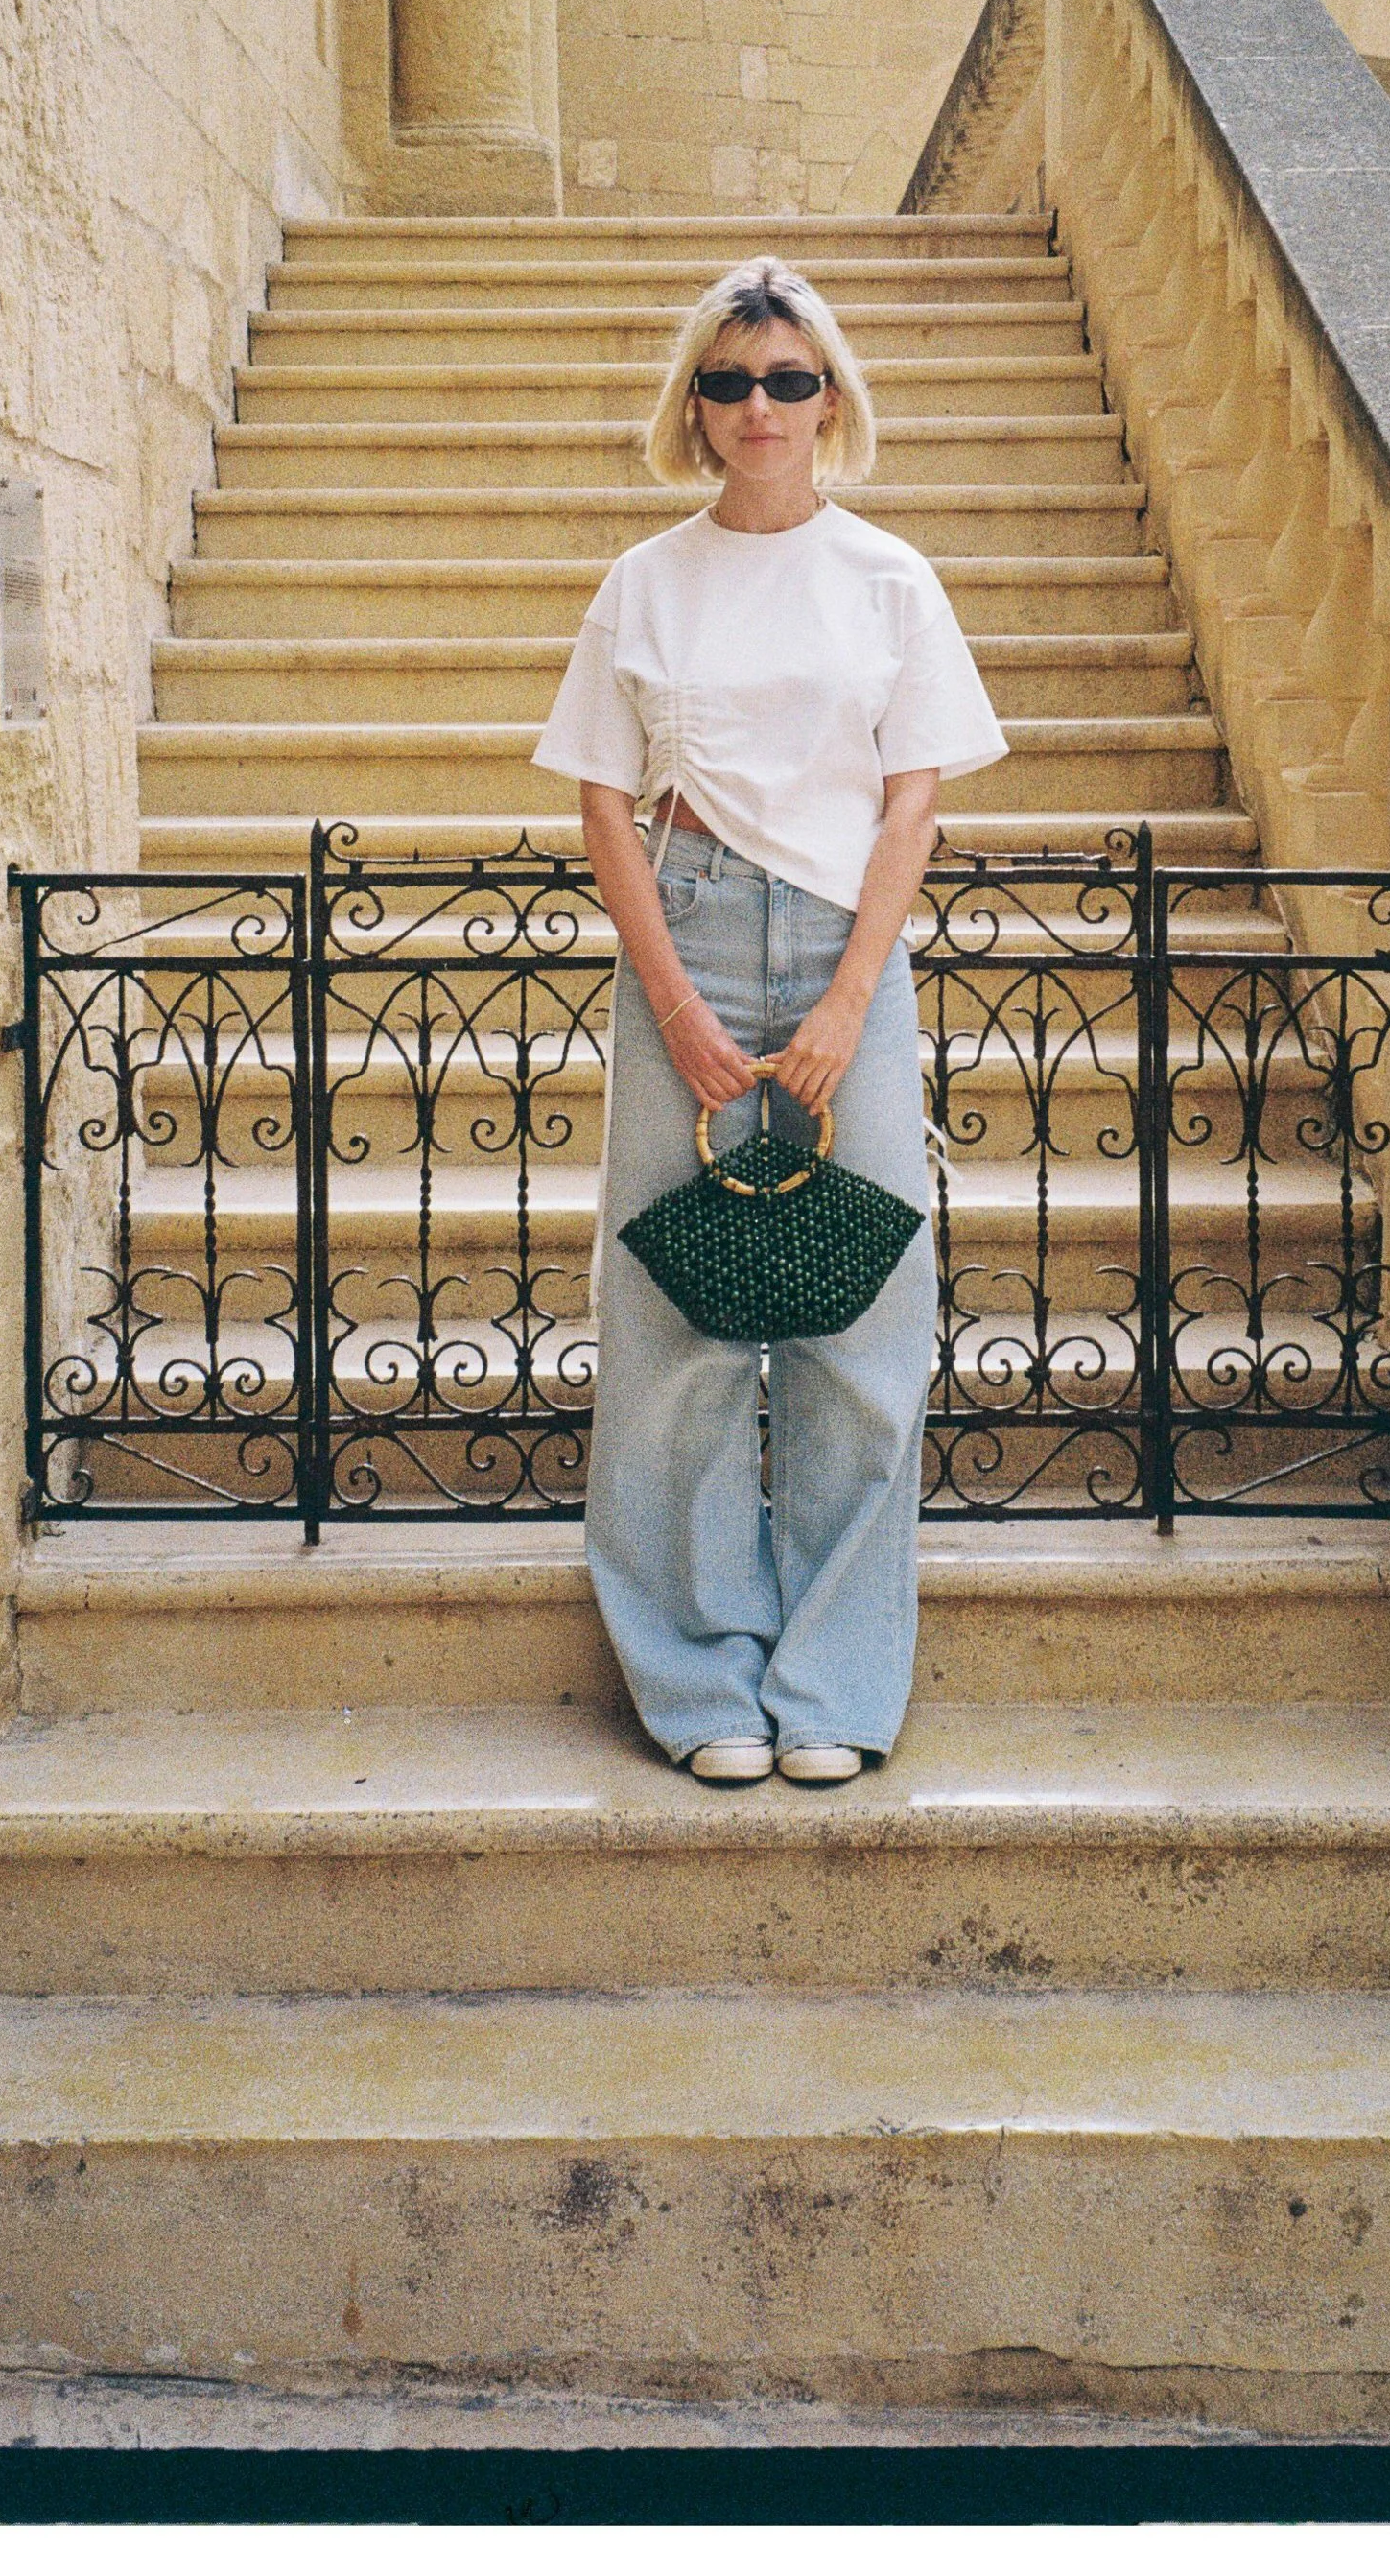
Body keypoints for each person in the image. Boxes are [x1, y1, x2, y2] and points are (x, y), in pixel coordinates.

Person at [530, 255, 1007, 1787]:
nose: (759, 407)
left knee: (857, 1318)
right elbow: (603, 803)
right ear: (695, 404)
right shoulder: (645, 581)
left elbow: (914, 801)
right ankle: (699, 1681)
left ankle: (835, 1683)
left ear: (831, 401)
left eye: (788, 380)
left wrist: (848, 1003)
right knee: (674, 1321)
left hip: (842, 947)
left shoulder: (890, 579)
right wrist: (675, 1003)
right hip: (689, 937)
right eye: (730, 381)